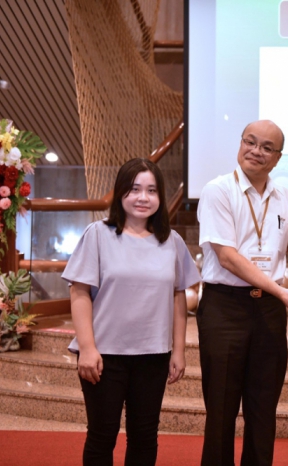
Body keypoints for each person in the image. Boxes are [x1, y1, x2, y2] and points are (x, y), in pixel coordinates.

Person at [196, 120, 288, 466]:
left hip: (268, 310)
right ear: (240, 144)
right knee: (221, 408)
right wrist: (279, 290)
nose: (256, 151)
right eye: (250, 142)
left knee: (263, 408)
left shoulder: (282, 196)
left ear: (278, 158)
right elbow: (227, 256)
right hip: (226, 308)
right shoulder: (218, 190)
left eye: (267, 147)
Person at [62, 158, 200, 466]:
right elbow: (79, 292)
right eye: (135, 189)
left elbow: (179, 297)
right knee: (102, 435)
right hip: (104, 356)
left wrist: (179, 351)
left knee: (144, 435)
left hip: (153, 355)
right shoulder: (98, 234)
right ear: (121, 192)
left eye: (152, 190)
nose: (143, 197)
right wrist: (87, 348)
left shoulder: (172, 241)